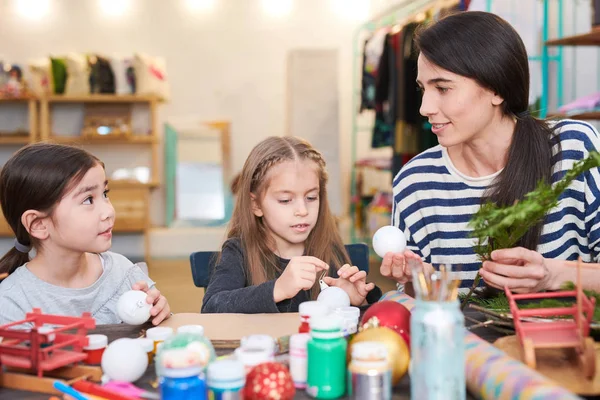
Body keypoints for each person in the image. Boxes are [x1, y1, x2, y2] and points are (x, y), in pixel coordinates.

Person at [381, 11, 600, 293]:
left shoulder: (573, 149)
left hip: (567, 335)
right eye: (423, 89)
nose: (425, 108)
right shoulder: (415, 182)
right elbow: (422, 310)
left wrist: (552, 275)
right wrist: (419, 282)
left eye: (443, 88)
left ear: (497, 89)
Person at [202, 136, 381, 313]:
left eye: (311, 197)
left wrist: (356, 301)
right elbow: (211, 307)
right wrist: (277, 289)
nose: (302, 210)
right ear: (255, 205)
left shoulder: (329, 250)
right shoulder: (238, 251)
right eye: (286, 200)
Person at [0, 143, 171, 326]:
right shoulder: (12, 303)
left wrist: (159, 314)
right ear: (39, 224)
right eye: (88, 199)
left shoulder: (122, 272)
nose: (109, 211)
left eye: (105, 193)